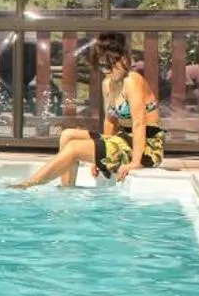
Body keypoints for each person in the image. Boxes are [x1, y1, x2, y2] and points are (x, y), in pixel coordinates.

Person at [8, 32, 167, 189]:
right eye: (103, 66)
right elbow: (110, 121)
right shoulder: (108, 83)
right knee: (68, 135)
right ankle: (67, 190)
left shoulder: (132, 80)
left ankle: (28, 184)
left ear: (124, 59)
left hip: (147, 147)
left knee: (74, 148)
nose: (107, 70)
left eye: (111, 65)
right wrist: (101, 155)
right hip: (123, 139)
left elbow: (139, 123)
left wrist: (136, 162)